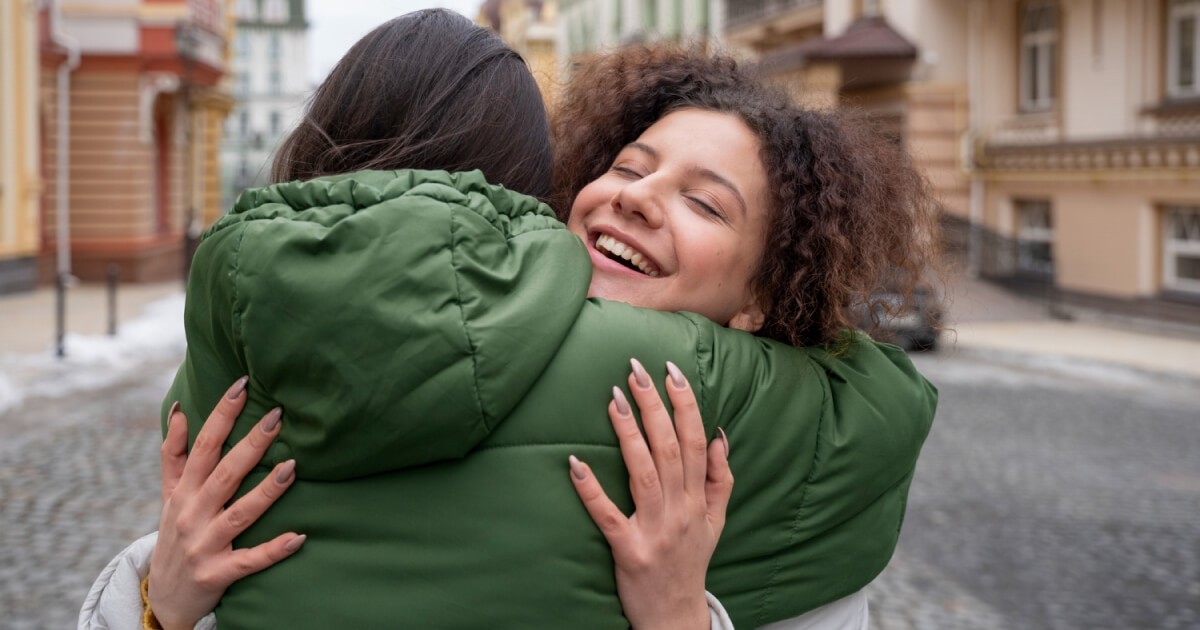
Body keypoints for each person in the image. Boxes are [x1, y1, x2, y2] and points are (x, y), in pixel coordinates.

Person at [80, 13, 939, 630]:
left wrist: (679, 613)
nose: (636, 196)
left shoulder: (772, 460)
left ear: (764, 297)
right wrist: (162, 602)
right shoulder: (824, 449)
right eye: (629, 166)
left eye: (704, 206)